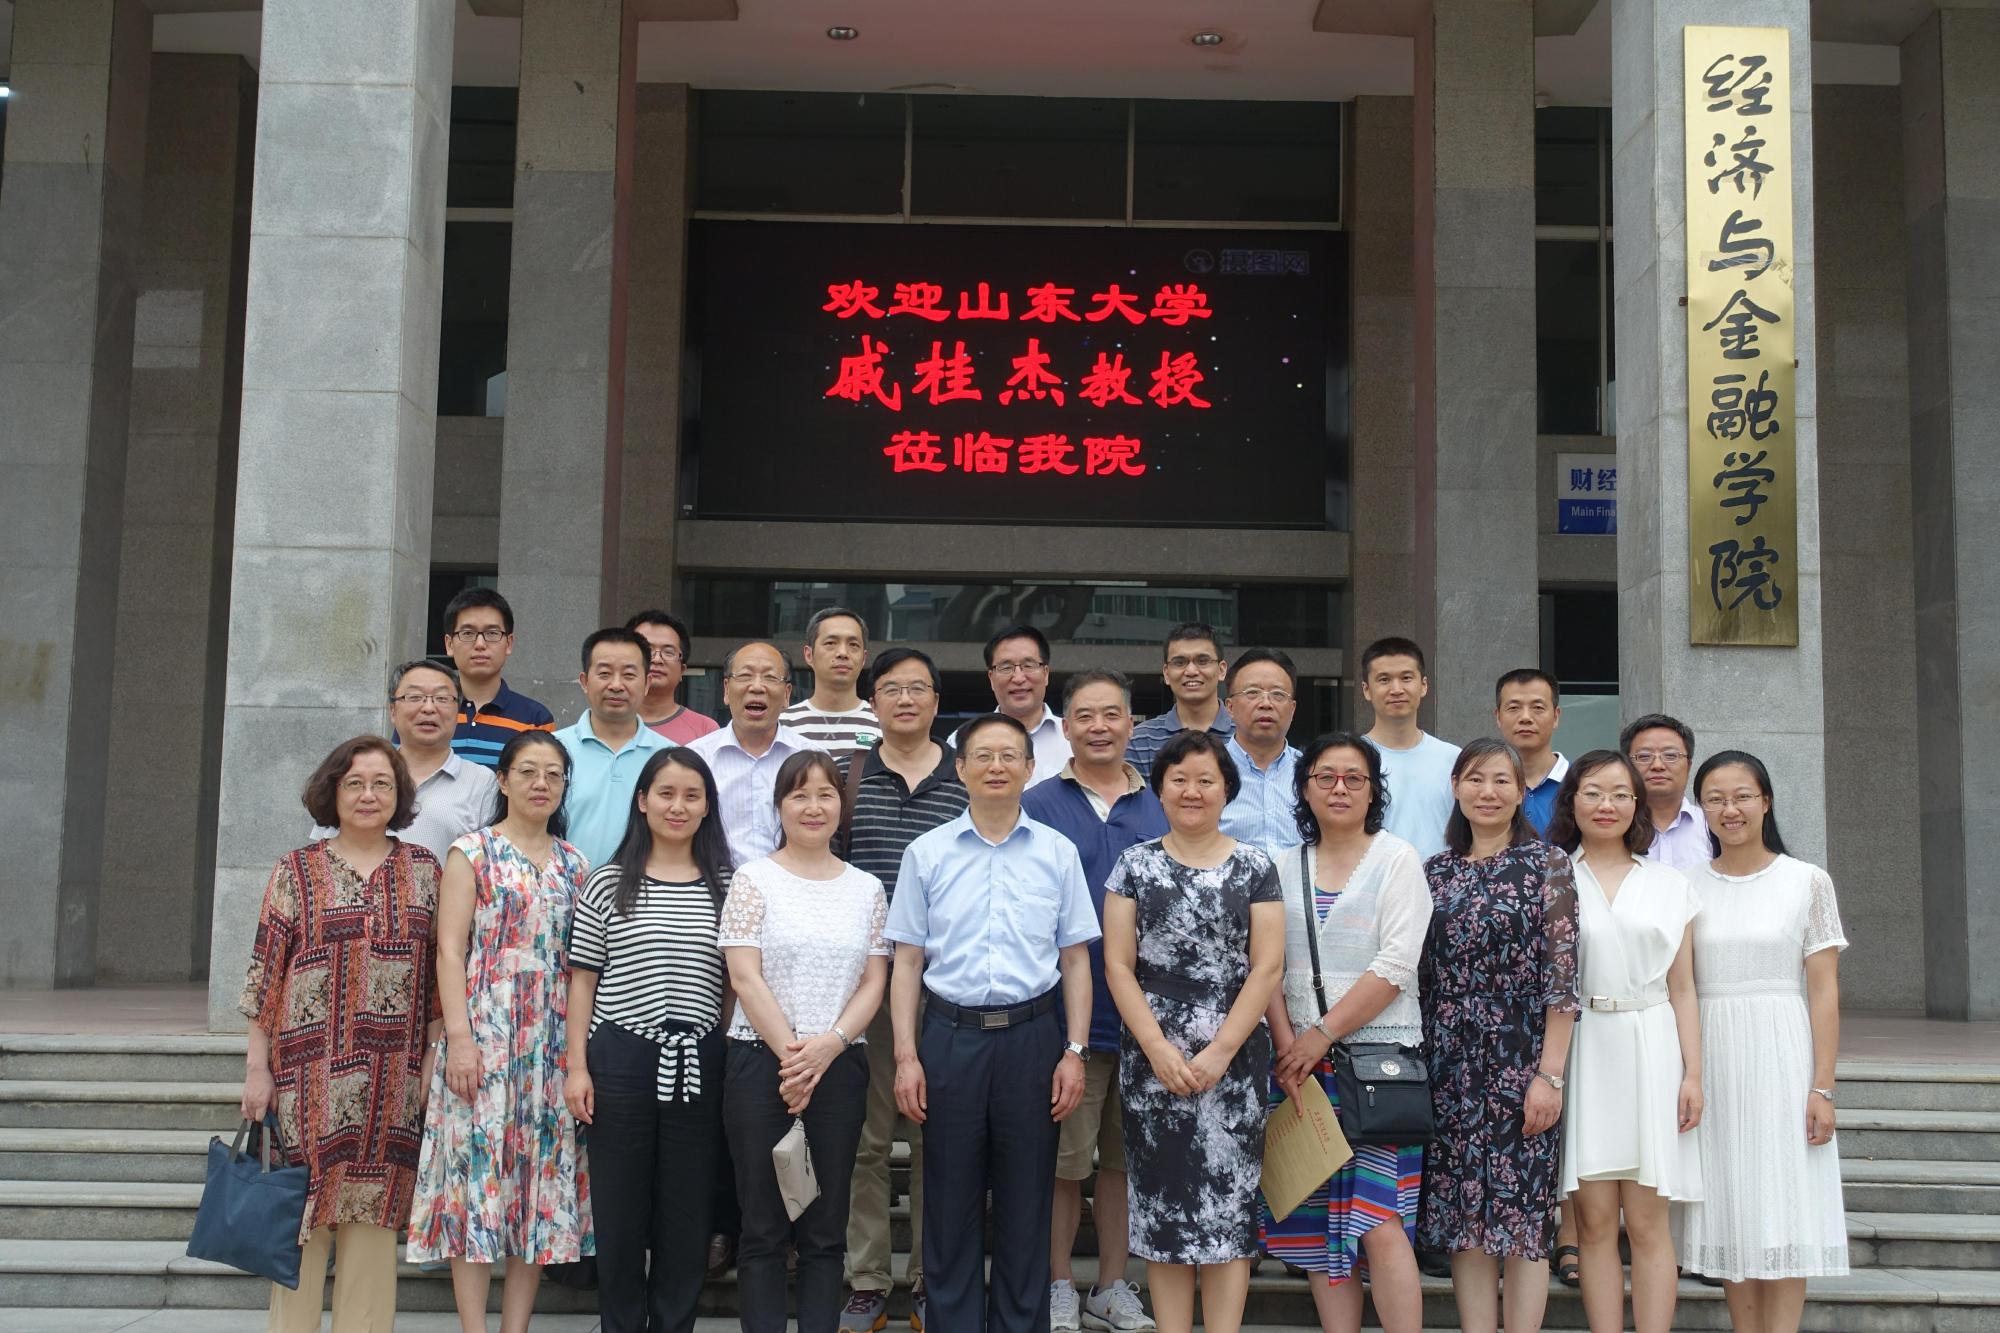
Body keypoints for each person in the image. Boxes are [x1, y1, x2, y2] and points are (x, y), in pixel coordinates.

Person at [885, 714, 1100, 1333]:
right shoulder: (927, 853)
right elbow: (907, 961)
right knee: (948, 1199)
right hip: (949, 1037)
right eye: (982, 755)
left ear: (1030, 768)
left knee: (1026, 1200)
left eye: (1010, 755)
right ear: (960, 769)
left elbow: (1075, 960)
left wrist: (1074, 1051)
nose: (997, 766)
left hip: (1034, 1039)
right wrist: (906, 1055)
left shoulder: (1057, 852)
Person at [239, 736, 441, 1333]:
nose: (368, 795)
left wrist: (434, 1056)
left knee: (373, 1228)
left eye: (381, 784)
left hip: (392, 1082)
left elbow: (440, 975)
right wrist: (256, 1068)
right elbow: (265, 975)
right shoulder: (296, 871)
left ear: (399, 795)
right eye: (354, 783)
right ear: (333, 792)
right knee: (298, 1225)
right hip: (306, 1078)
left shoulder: (425, 871)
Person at [407, 730, 594, 1332]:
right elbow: (449, 951)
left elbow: (583, 965)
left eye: (554, 774)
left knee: (536, 1187)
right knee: (476, 1182)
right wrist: (458, 1040)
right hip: (484, 1033)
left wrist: (577, 1057)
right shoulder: (472, 852)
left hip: (551, 1041)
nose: (541, 784)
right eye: (529, 771)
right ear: (504, 780)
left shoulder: (575, 863)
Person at [1101, 730, 1283, 1333]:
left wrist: (1222, 1051)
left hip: (1237, 1057)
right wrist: (1156, 1048)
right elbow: (1118, 965)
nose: (1192, 791)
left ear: (1227, 789)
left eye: (1206, 780)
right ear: (1160, 789)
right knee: (1164, 1209)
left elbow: (1267, 967)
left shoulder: (1255, 865)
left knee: (1229, 1210)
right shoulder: (1134, 864)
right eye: (1179, 779)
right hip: (1153, 1058)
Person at [1261, 733, 1430, 1333]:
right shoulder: (1281, 866)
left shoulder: (1397, 860)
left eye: (1354, 778)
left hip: (1378, 1068)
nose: (1340, 788)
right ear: (1304, 789)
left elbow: (1396, 964)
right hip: (1301, 1070)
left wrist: (1321, 1034)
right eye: (1325, 777)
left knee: (1379, 1221)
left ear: (1373, 791)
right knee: (1317, 1230)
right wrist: (1289, 1044)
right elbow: (1266, 967)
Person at [1676, 751, 1849, 1333]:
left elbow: (1823, 990)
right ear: (1702, 809)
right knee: (1731, 1203)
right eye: (1716, 799)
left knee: (1783, 1202)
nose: (1731, 809)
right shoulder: (1686, 886)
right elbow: (1682, 986)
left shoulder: (1807, 881)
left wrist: (1822, 1087)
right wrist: (1689, 1072)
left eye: (1743, 796)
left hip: (1782, 1054)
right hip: (1714, 1055)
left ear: (1766, 802)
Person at [564, 748, 735, 1333]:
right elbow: (583, 981)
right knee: (620, 1214)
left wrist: (719, 1043)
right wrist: (577, 1067)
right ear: (642, 801)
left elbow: (733, 982)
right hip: (621, 1057)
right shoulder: (608, 882)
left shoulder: (727, 885)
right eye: (665, 793)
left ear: (707, 806)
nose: (677, 806)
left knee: (686, 1216)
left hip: (699, 1060)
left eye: (691, 795)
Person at [720, 750, 891, 1333]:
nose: (813, 807)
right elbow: (745, 976)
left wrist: (829, 1046)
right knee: (763, 1227)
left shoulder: (866, 888)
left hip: (840, 1067)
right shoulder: (753, 879)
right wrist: (795, 1057)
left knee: (825, 1228)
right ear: (780, 806)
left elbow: (874, 981)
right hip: (760, 1063)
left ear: (842, 806)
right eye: (799, 795)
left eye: (826, 794)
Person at [1022, 670, 1170, 1333]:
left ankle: (1111, 1285)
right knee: (1063, 1162)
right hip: (1066, 1017)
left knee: (1122, 1163)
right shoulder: (1036, 803)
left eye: (1113, 714)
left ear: (1132, 724)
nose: (1100, 726)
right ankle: (1058, 1283)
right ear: (1067, 725)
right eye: (1085, 715)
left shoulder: (1162, 803)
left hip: (1150, 1019)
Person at [1419, 737, 1579, 1333]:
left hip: (1521, 1058)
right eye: (1475, 779)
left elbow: (1562, 979)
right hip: (1448, 1064)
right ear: (1456, 788)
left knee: (1523, 1219)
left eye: (1501, 781)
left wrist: (1549, 1076)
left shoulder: (1547, 865)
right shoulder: (1435, 871)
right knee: (1464, 1218)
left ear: (1519, 793)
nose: (1488, 792)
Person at [1546, 751, 1703, 1333]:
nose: (1606, 805)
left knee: (1647, 1222)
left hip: (1651, 1045)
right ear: (1572, 802)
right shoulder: (1553, 877)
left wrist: (1693, 1073)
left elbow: (1683, 988)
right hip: (1583, 1046)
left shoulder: (1669, 883)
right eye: (1592, 792)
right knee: (1592, 1223)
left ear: (1637, 804)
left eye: (1619, 793)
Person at [839, 649, 968, 1333]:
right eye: (892, 688)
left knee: (932, 1138)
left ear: (937, 701)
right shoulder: (848, 774)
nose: (906, 698)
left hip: (947, 985)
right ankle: (866, 1280)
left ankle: (926, 1278)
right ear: (873, 702)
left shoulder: (966, 776)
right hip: (866, 984)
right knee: (866, 1138)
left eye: (919, 687)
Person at [309, 660, 497, 862]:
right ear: (392, 710)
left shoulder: (482, 782)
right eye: (414, 697)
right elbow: (320, 856)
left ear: (457, 712)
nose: (429, 708)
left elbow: (491, 865)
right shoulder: (355, 771)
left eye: (442, 698)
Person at [687, 641, 826, 866]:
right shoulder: (696, 758)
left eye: (770, 677)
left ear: (787, 694)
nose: (757, 687)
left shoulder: (812, 758)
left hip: (793, 882)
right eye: (745, 676)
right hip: (715, 883)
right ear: (726, 689)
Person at [556, 628, 674, 866]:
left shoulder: (670, 757)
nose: (616, 685)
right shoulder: (554, 750)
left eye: (629, 675)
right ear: (584, 682)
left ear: (647, 683)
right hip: (565, 886)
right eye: (605, 674)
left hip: (644, 887)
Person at [1358, 637, 1461, 860]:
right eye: (1384, 680)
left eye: (1406, 678)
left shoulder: (1454, 759)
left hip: (1441, 880)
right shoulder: (1352, 760)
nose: (1396, 689)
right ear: (1366, 690)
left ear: (1423, 685)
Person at [444, 587, 556, 769]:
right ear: (449, 644)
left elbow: (541, 781)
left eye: (492, 633)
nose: (480, 644)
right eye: (468, 633)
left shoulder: (535, 718)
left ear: (509, 644)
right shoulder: (425, 711)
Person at [960, 624, 1071, 788]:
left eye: (1029, 666)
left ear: (1046, 673)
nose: (1018, 678)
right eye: (1006, 668)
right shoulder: (961, 740)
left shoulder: (1074, 739)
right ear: (991, 678)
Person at [1219, 650, 1302, 855]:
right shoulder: (1208, 770)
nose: (1266, 704)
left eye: (1278, 694)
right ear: (1230, 707)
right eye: (1252, 693)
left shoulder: (1313, 773)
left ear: (1292, 709)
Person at [1124, 622, 1233, 779]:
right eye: (1179, 663)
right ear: (1166, 674)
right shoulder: (1140, 741)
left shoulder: (1246, 733)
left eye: (1202, 661)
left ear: (1221, 670)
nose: (1191, 671)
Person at [781, 606, 884, 758]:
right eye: (830, 643)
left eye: (853, 645)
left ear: (864, 658)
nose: (843, 653)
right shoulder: (782, 724)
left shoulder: (884, 723)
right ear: (809, 655)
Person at [1620, 713, 1709, 873]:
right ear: (1626, 765)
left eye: (1670, 756)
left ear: (1689, 765)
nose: (1657, 765)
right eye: (1644, 756)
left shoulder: (1712, 827)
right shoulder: (1613, 827)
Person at [627, 609, 721, 746]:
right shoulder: (604, 724)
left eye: (668, 652)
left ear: (682, 670)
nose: (657, 659)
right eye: (646, 650)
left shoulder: (706, 730)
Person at [1495, 669, 1567, 837]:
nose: (1525, 717)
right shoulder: (1484, 788)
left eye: (1538, 708)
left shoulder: (1580, 782)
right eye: (1514, 708)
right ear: (1498, 717)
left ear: (1556, 717)